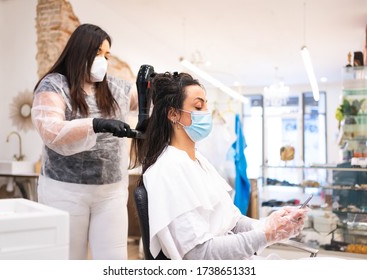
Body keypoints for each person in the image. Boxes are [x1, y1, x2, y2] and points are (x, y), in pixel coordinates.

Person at [129, 72, 308, 260]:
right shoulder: (168, 171)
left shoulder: (198, 160)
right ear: (173, 114)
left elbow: (232, 222)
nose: (206, 112)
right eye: (198, 106)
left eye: (206, 104)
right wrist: (266, 234)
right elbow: (200, 253)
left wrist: (273, 223)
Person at [32, 23, 137, 260]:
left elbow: (147, 102)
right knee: (68, 261)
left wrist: (157, 85)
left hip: (110, 192)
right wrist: (95, 124)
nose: (103, 60)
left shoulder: (115, 88)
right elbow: (51, 131)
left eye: (107, 55)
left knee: (114, 262)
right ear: (80, 51)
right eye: (97, 53)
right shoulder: (55, 85)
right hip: (64, 190)